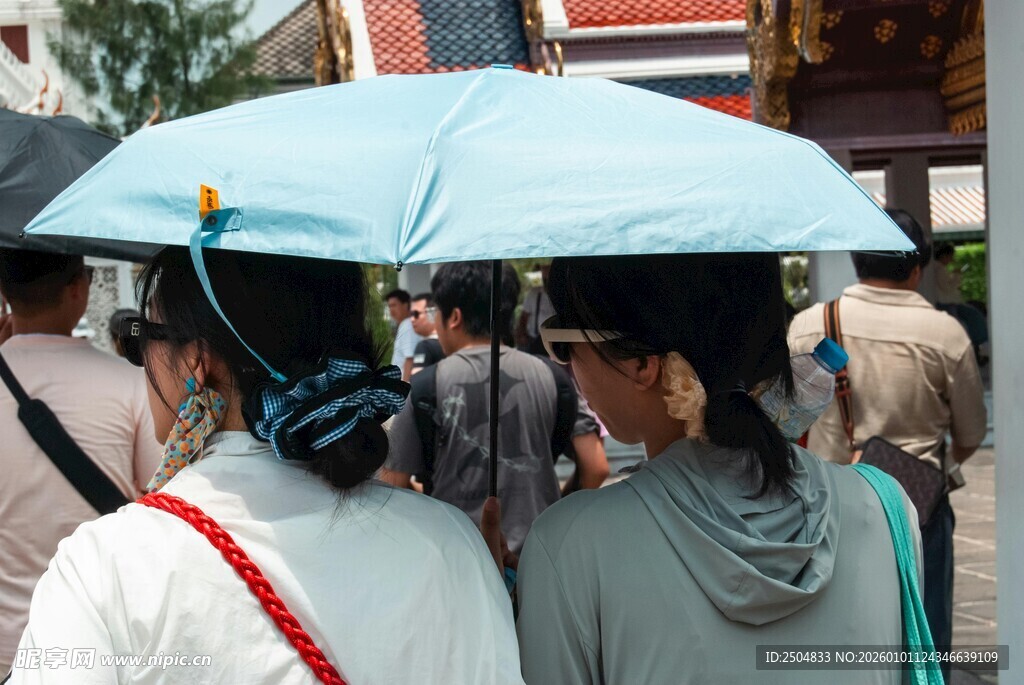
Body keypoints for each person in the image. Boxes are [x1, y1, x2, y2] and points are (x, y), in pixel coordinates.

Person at [8, 248, 522, 684]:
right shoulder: (450, 543)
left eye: (143, 334)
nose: (140, 356)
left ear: (197, 360)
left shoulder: (105, 567)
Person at [505, 252, 922, 684]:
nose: (567, 364)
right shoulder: (886, 510)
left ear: (640, 363)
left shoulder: (570, 545)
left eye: (563, 343)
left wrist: (490, 593)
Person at [789, 210, 987, 680]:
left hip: (828, 508)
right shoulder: (945, 333)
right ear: (917, 268)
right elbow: (971, 434)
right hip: (919, 507)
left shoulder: (811, 323)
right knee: (926, 637)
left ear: (857, 261)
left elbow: (785, 418)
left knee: (836, 637)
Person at [0, 249, 161, 674]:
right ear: (78, 287)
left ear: (4, 291)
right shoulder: (132, 384)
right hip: (100, 642)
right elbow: (161, 500)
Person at [381, 261, 596, 554]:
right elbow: (595, 466)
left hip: (456, 559)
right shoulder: (553, 376)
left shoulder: (425, 386)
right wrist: (554, 516)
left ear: (454, 317)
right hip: (537, 557)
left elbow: (392, 486)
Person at [933, 243, 989, 364]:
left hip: (950, 303)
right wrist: (957, 275)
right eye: (950, 256)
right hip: (948, 303)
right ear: (944, 255)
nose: (951, 259)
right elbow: (947, 288)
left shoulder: (938, 268)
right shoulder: (939, 269)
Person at [515, 263, 554, 355]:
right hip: (534, 340)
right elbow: (524, 317)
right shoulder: (534, 293)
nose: (547, 282)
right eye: (545, 279)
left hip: (553, 342)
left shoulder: (560, 296)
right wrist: (521, 334)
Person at [385, 288, 422, 381]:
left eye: (394, 305)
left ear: (405, 305)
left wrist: (404, 386)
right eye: (389, 306)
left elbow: (410, 359)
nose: (391, 310)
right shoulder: (405, 325)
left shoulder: (408, 325)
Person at [409, 292, 445, 374]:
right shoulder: (452, 344)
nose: (412, 319)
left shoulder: (424, 346)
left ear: (432, 313)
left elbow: (417, 379)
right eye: (411, 314)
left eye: (416, 314)